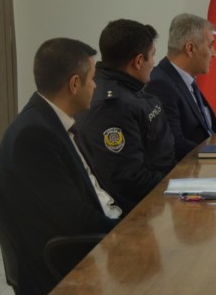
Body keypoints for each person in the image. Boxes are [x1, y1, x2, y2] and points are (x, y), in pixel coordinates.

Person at [0, 38, 121, 295]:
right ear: (74, 84)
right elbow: (73, 219)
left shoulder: (52, 121)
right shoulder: (34, 136)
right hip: (67, 264)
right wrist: (125, 231)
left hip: (90, 238)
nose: (96, 86)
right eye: (92, 79)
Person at [74, 19, 175, 213]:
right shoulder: (111, 106)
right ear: (138, 61)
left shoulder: (132, 90)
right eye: (153, 55)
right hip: (138, 213)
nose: (154, 63)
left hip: (159, 195)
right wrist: (178, 184)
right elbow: (129, 181)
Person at [146, 13, 216, 161]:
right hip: (190, 168)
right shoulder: (160, 85)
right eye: (210, 46)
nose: (214, 53)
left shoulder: (185, 78)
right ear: (190, 49)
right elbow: (175, 145)